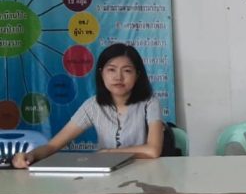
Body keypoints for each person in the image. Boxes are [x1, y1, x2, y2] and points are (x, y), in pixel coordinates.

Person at [13, 43, 164, 168]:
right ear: (101, 73)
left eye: (127, 71)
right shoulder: (93, 105)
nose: (118, 77)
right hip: (107, 173)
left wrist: (109, 153)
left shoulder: (150, 102)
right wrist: (30, 155)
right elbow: (53, 146)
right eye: (111, 69)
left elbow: (153, 150)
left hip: (144, 172)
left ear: (137, 75)